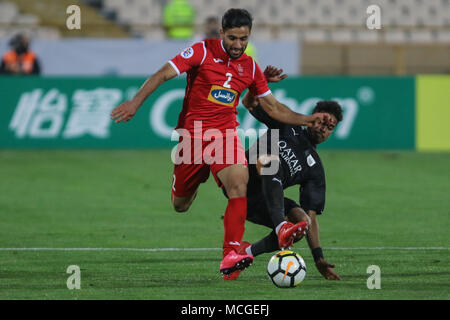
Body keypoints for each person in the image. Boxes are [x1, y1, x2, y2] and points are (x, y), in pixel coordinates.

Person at [110, 9, 330, 279]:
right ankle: (192, 185)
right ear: (222, 33)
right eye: (233, 38)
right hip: (192, 136)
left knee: (239, 181)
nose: (238, 45)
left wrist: (306, 119)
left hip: (224, 134)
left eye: (244, 39)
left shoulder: (250, 67)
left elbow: (273, 107)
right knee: (181, 205)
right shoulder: (202, 51)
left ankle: (232, 254)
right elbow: (163, 74)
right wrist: (135, 102)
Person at [224, 66, 343, 280]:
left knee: (301, 223)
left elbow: (311, 219)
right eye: (323, 120)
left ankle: (245, 254)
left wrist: (318, 258)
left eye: (330, 127)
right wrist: (261, 84)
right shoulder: (288, 123)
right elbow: (248, 103)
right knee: (270, 160)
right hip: (241, 180)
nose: (324, 128)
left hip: (262, 202)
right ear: (312, 116)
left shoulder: (314, 168)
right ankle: (281, 226)